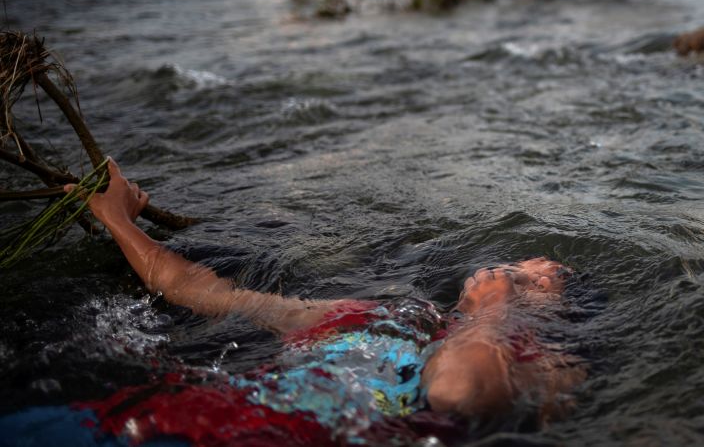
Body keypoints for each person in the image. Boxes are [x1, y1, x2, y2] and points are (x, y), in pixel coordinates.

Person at [0, 160, 585, 445]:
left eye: (537, 280)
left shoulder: (545, 371)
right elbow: (206, 293)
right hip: (143, 425)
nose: (506, 275)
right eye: (510, 268)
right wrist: (119, 219)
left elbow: (457, 393)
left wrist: (496, 310)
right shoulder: (382, 316)